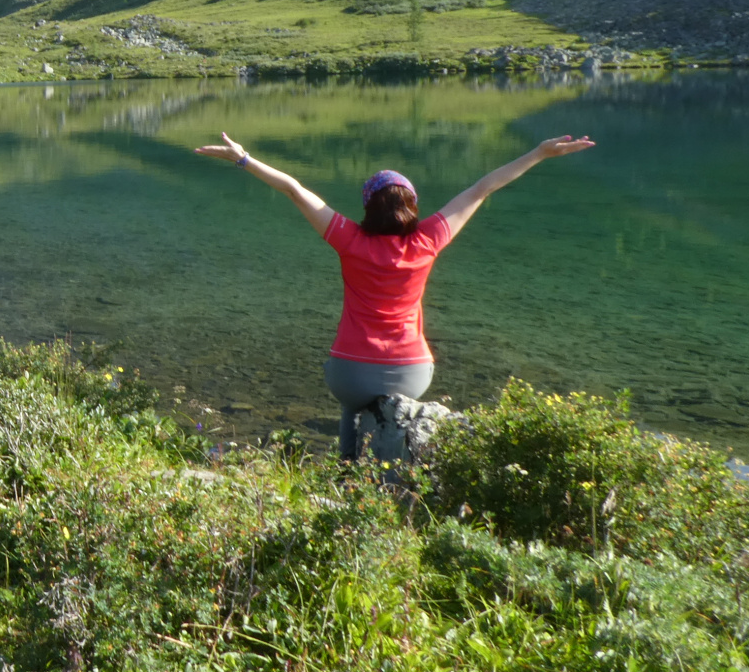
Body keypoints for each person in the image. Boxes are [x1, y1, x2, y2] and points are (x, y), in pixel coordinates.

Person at [195, 131, 596, 459]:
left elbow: (295, 190)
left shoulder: (348, 239)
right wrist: (539, 153)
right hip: (413, 373)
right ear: (413, 206)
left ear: (368, 208)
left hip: (350, 374)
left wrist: (244, 158)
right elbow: (481, 189)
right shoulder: (428, 241)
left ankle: (347, 472)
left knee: (351, 406)